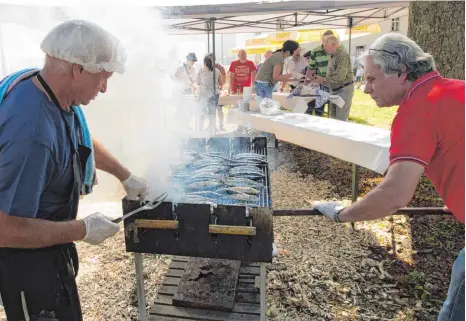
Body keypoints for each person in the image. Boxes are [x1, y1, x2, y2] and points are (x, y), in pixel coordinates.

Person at [0, 20, 148, 321]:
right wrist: (81, 229)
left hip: (51, 245)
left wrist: (125, 174)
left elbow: (77, 138)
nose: (105, 88)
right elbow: (5, 229)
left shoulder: (50, 90)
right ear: (77, 68)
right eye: (102, 78)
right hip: (25, 258)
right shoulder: (32, 132)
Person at [314, 33, 464, 321]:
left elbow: (394, 195)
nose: (367, 89)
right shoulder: (457, 88)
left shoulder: (417, 109)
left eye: (371, 79)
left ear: (401, 73)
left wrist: (343, 214)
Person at [313, 36, 354, 121]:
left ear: (334, 44)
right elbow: (332, 75)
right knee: (334, 118)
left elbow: (339, 78)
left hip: (343, 89)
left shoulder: (342, 55)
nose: (325, 48)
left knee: (340, 118)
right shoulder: (333, 55)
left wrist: (323, 80)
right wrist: (322, 79)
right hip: (335, 89)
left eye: (326, 46)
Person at [196, 55, 223, 135]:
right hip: (214, 94)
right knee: (212, 113)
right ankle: (212, 131)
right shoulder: (216, 71)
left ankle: (200, 131)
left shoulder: (201, 71)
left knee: (202, 113)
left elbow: (197, 83)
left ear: (204, 63)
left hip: (204, 94)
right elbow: (221, 83)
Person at [207, 53, 226, 131]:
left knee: (219, 109)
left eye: (210, 59)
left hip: (218, 91)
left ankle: (221, 125)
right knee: (211, 110)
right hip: (209, 92)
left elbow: (224, 79)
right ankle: (212, 125)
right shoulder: (207, 67)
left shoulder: (219, 67)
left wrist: (220, 86)